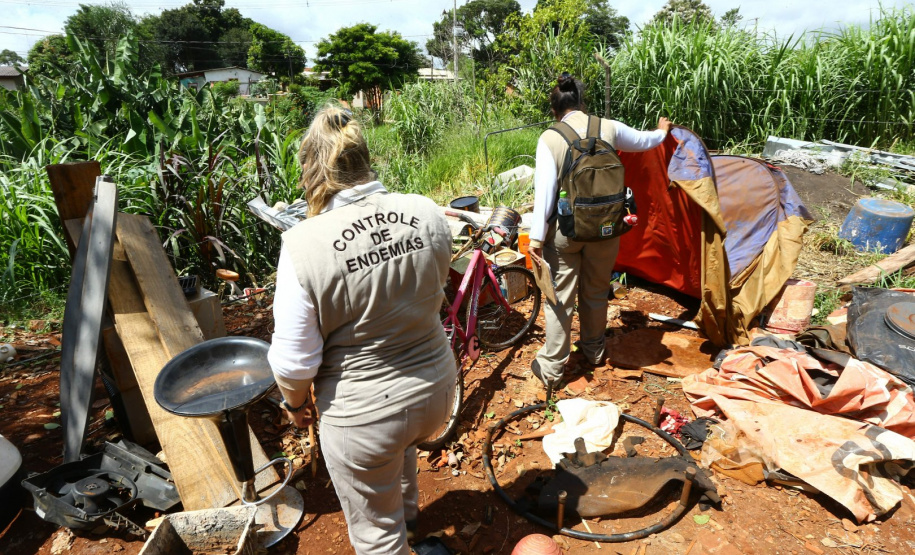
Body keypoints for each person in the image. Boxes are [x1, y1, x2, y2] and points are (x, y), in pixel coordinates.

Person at [267, 103, 457, 555]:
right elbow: (436, 285)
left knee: (375, 535)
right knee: (404, 450)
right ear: (365, 158)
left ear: (313, 171)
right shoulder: (426, 211)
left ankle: (397, 540)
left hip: (365, 415)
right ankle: (411, 528)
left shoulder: (303, 246)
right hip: (435, 390)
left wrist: (295, 405)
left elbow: (293, 362)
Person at [528, 73, 671, 391]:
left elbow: (545, 196)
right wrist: (662, 131)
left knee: (559, 300)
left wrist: (536, 239)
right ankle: (593, 351)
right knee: (594, 292)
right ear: (582, 102)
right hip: (608, 228)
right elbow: (647, 141)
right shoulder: (610, 127)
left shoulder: (550, 138)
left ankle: (552, 369)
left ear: (555, 109)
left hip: (568, 233)